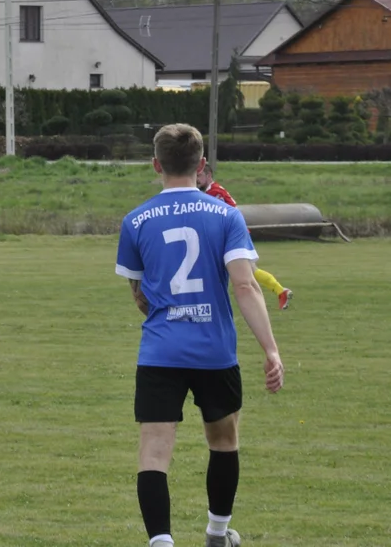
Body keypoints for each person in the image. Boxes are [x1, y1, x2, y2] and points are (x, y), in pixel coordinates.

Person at [115, 124, 284, 547]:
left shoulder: (135, 220)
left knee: (154, 451)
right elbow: (245, 286)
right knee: (224, 441)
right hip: (215, 352)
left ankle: (161, 542)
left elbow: (138, 293)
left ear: (156, 165)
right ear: (201, 165)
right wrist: (271, 349)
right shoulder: (227, 215)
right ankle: (217, 533)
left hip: (159, 351)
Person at [197, 165, 292, 310]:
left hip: (233, 235)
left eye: (199, 176)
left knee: (237, 271)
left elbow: (217, 217)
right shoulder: (214, 190)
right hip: (234, 234)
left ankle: (280, 291)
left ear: (209, 175)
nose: (197, 180)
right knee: (250, 271)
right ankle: (280, 291)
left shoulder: (214, 192)